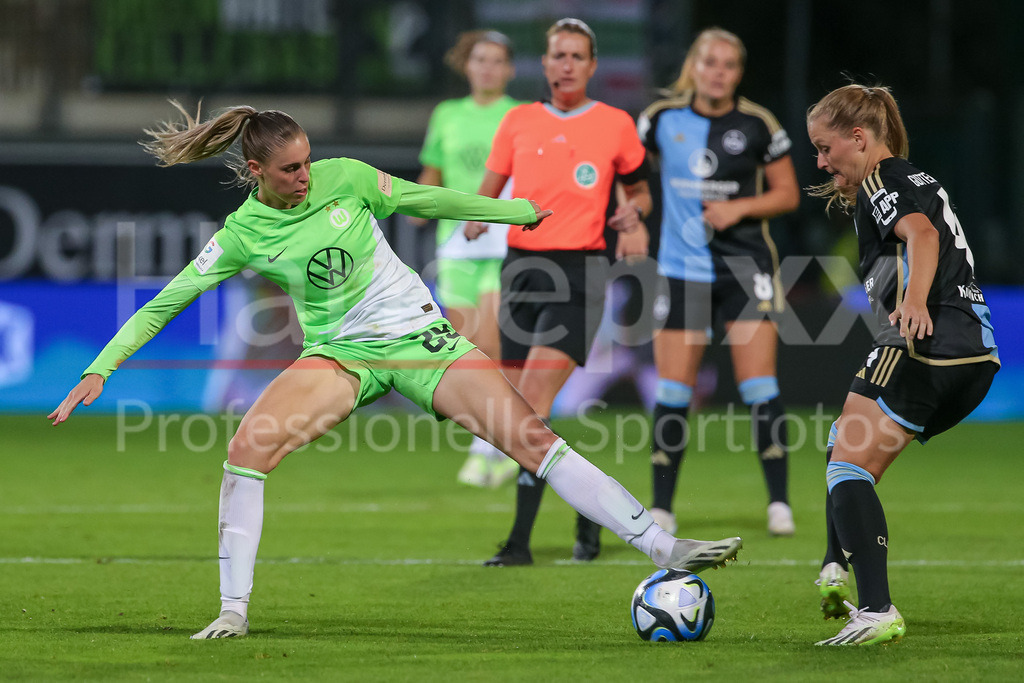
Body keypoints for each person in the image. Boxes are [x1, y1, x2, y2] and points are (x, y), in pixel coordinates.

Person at [48, 102, 743, 639]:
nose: (306, 175)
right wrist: (99, 368)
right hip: (338, 355)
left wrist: (512, 213)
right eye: (290, 169)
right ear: (257, 171)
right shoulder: (242, 234)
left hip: (420, 339)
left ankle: (662, 544)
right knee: (246, 447)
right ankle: (234, 609)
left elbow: (422, 199)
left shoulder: (343, 177)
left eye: (308, 161)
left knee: (529, 438)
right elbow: (167, 302)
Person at [806, 84, 999, 646]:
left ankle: (876, 609)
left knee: (848, 464)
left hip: (926, 339)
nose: (820, 161)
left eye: (824, 147)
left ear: (859, 139)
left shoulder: (882, 179)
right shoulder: (912, 177)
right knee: (846, 442)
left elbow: (922, 233)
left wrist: (912, 300)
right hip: (975, 352)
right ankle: (835, 565)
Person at [468, 17, 654, 566]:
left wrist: (634, 212)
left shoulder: (616, 124)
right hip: (521, 270)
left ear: (592, 66)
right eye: (558, 55)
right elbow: (489, 191)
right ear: (545, 64)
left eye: (576, 56)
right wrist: (475, 218)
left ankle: (519, 543)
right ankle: (589, 508)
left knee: (530, 409)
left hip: (581, 273)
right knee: (523, 415)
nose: (566, 64)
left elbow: (641, 189)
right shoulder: (518, 122)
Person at [635, 28, 800, 538]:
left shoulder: (757, 123)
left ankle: (779, 503)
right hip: (680, 270)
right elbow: (632, 175)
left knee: (759, 385)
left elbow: (788, 193)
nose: (718, 71)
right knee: (672, 389)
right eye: (710, 62)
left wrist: (739, 208)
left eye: (728, 64)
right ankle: (662, 507)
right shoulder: (660, 119)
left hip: (747, 269)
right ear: (695, 65)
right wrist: (632, 215)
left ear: (738, 72)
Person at [414, 30, 522, 488]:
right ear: (468, 65)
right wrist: (401, 204)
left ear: (509, 69)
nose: (488, 68)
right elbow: (432, 174)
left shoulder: (519, 114)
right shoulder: (446, 114)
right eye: (481, 59)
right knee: (467, 347)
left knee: (492, 341)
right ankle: (501, 443)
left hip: (501, 241)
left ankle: (488, 448)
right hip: (456, 243)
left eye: (497, 61)